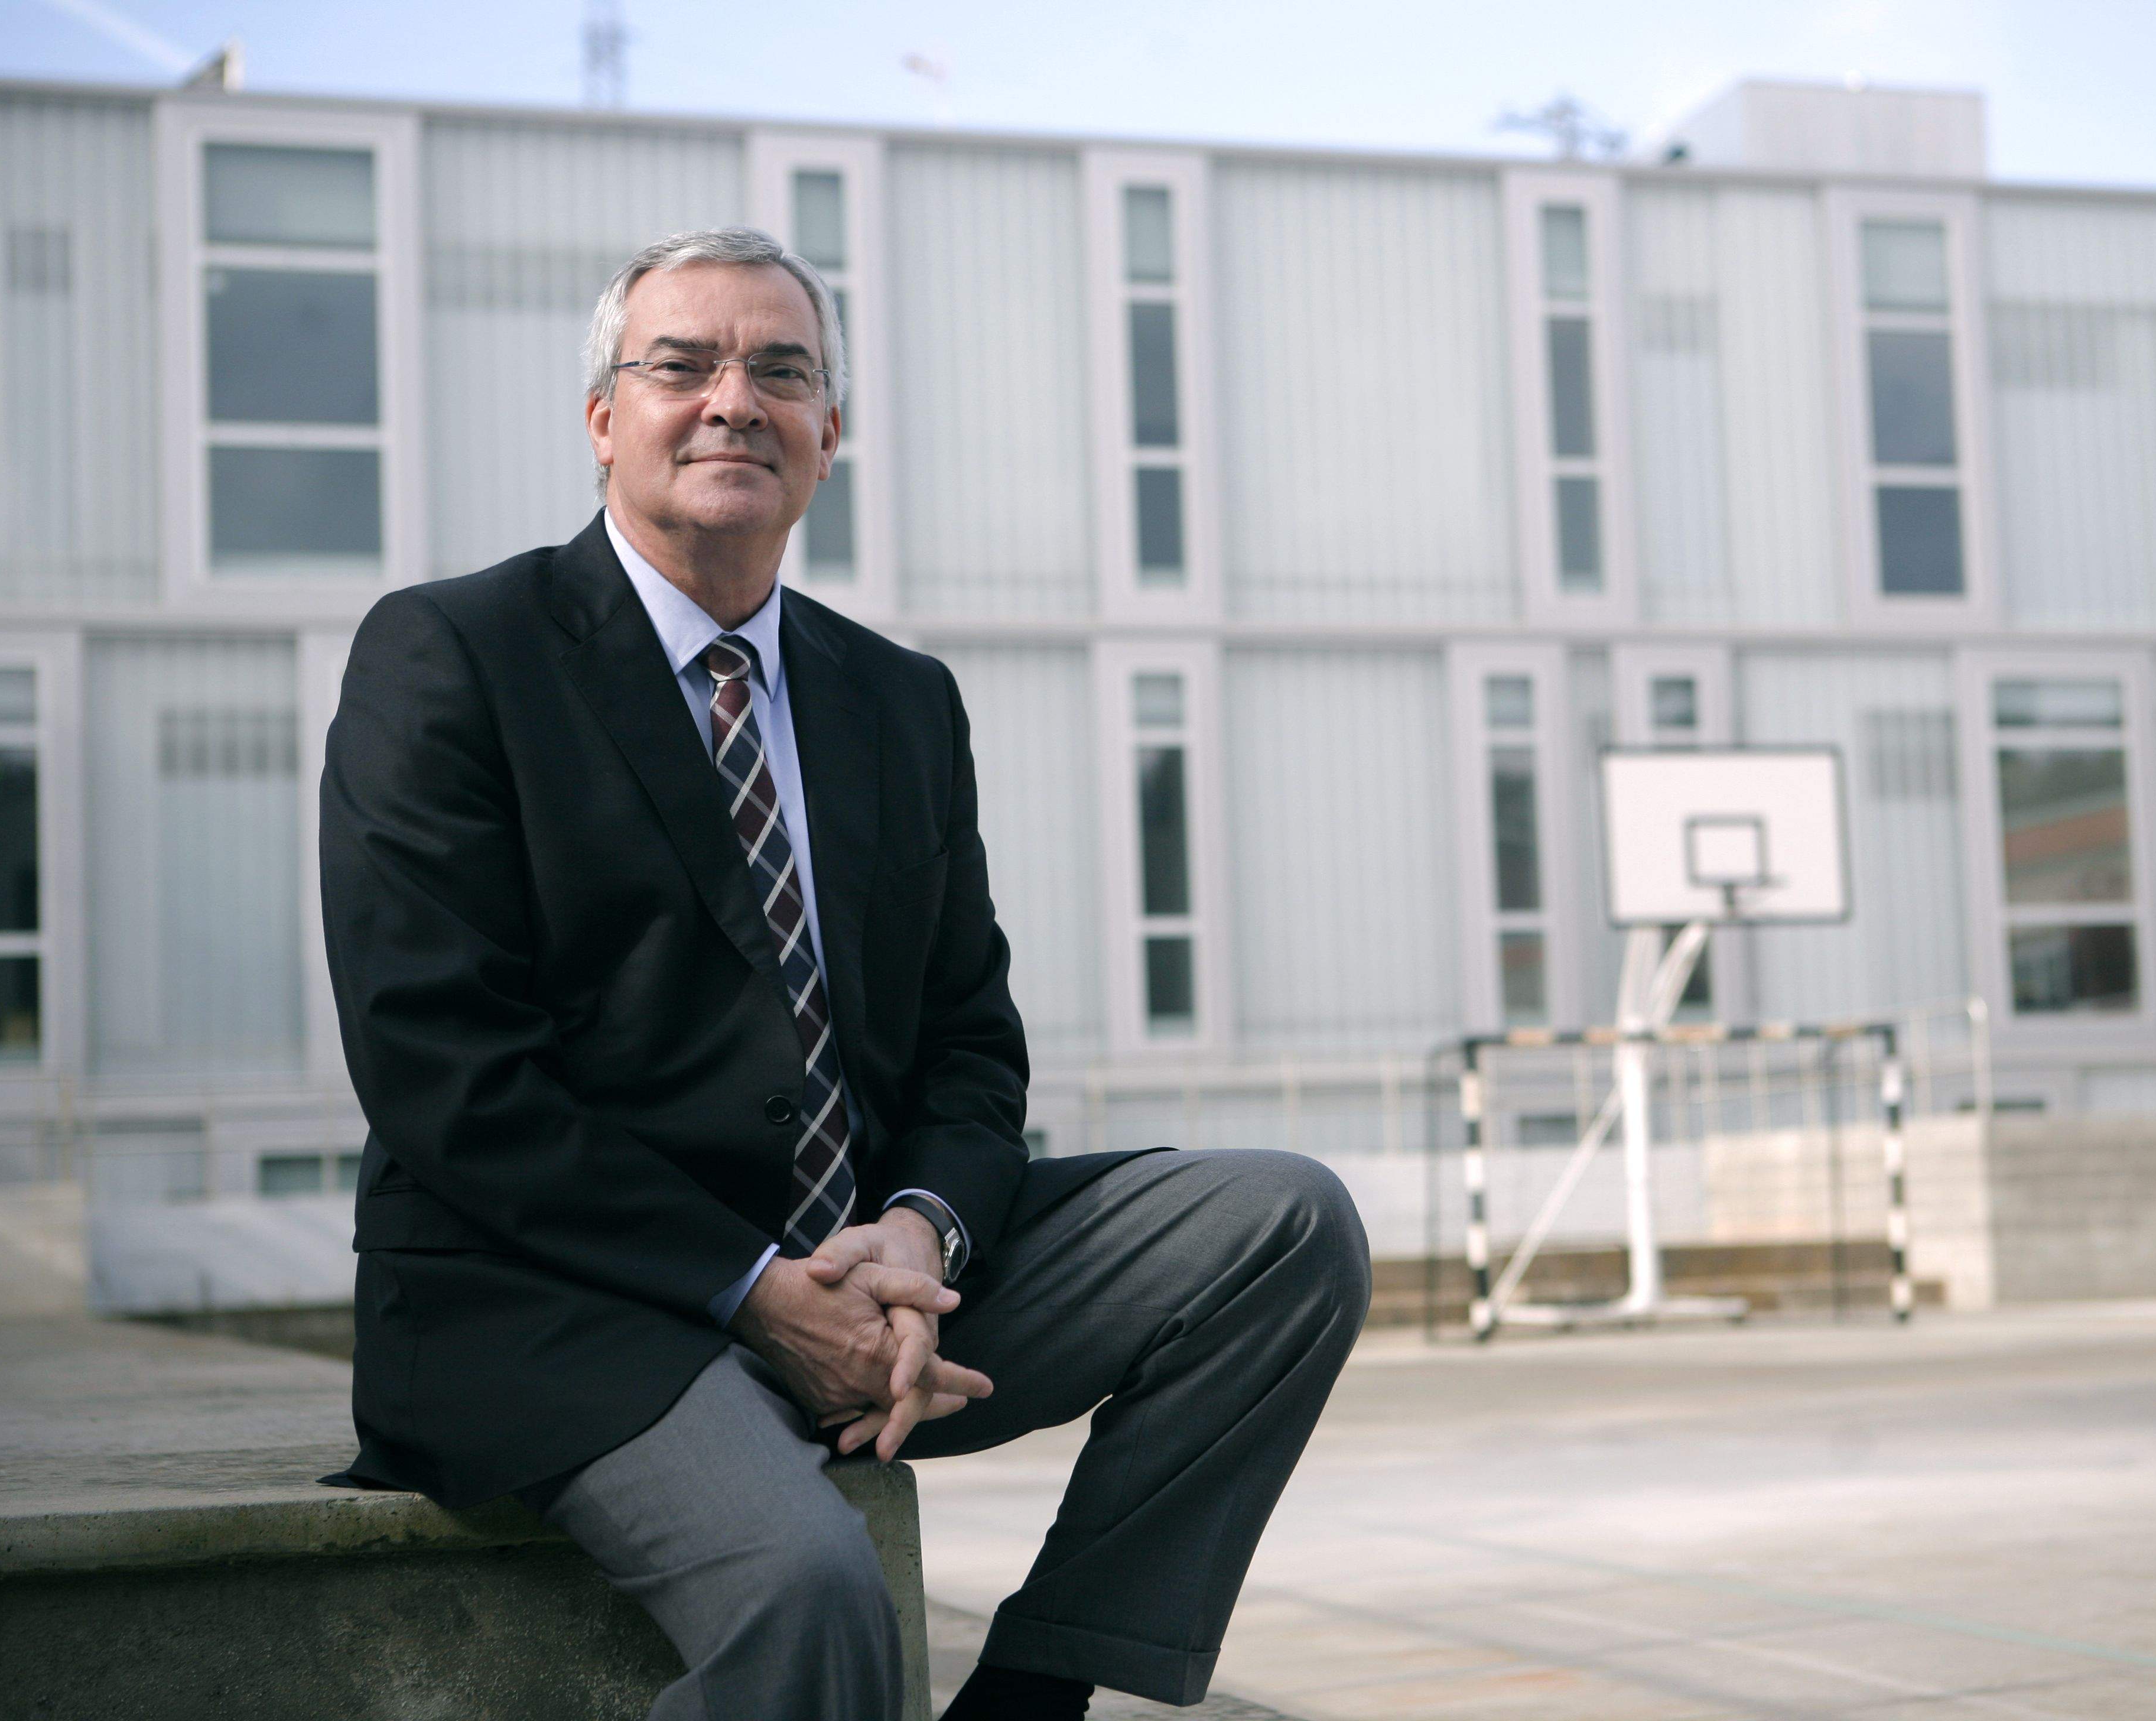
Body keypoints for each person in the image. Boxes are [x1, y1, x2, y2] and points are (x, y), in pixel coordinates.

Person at [318, 226, 1369, 1720]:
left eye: (783, 371)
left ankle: (1037, 1696)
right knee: (819, 1596)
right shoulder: (455, 655)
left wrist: (921, 1234)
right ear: (607, 419)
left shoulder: (898, 700)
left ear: (832, 436)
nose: (733, 399)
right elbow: (444, 1074)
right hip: (569, 1299)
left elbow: (968, 1043)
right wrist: (756, 1291)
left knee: (1281, 1223)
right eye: (681, 365)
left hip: (869, 1270)